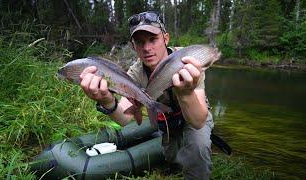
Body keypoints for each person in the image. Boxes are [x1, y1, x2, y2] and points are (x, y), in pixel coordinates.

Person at [79, 11, 214, 180]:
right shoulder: (135, 73)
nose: (147, 48)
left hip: (194, 114)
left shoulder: (189, 61)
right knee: (173, 158)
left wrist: (186, 94)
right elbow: (123, 118)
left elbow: (198, 121)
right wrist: (107, 100)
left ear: (166, 38)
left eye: (153, 39)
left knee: (198, 149)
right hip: (168, 120)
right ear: (133, 46)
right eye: (140, 42)